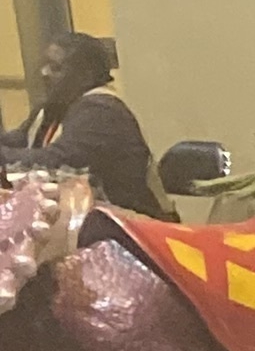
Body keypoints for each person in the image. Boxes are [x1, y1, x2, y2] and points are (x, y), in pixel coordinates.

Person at [7, 31, 158, 218]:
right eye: (44, 65)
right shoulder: (55, 106)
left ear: (86, 74)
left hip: (129, 225)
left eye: (56, 67)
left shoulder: (101, 110)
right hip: (82, 219)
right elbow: (17, 141)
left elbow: (56, 163)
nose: (44, 73)